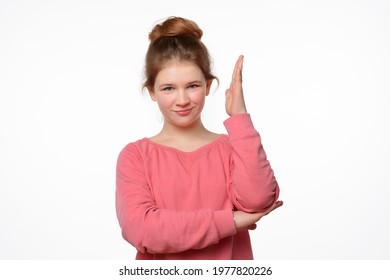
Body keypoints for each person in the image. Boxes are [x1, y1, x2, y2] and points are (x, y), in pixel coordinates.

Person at [116, 16, 282, 260]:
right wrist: (230, 221)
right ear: (151, 91)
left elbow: (258, 200)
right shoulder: (135, 156)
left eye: (192, 86)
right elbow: (143, 230)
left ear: (208, 85)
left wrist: (239, 117)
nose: (182, 100)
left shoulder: (231, 148)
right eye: (168, 88)